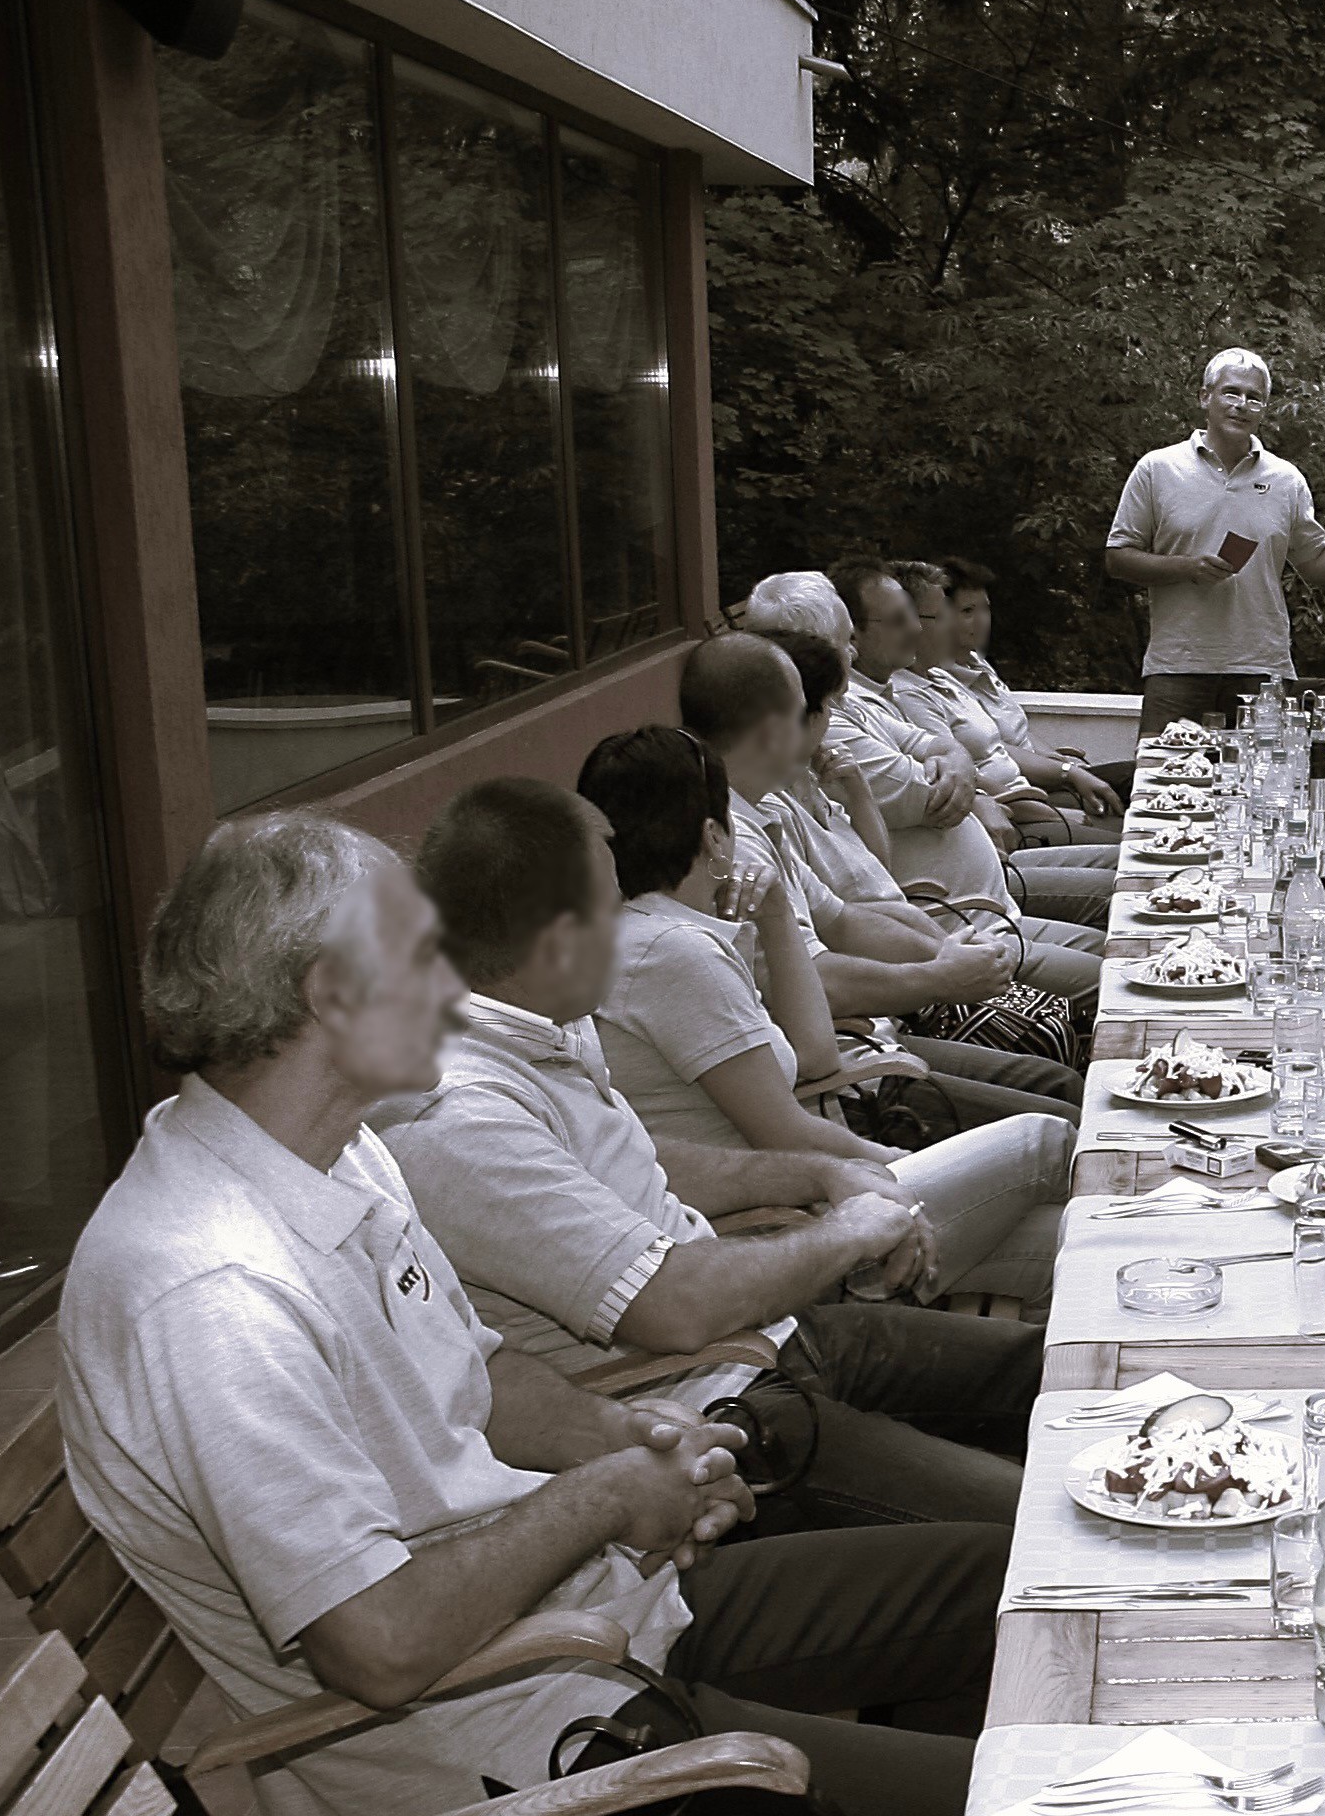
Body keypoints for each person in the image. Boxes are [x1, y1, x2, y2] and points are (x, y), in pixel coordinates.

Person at [59, 810, 1002, 1816]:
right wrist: (602, 1498)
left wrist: (639, 1444)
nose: (457, 988)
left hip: (606, 1628)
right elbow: (379, 1645)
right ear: (331, 992)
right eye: (425, 952)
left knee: (1008, 1591)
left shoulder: (339, 1151)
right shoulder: (212, 1292)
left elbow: (477, 1375)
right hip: (522, 1763)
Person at [379, 777, 1041, 1534]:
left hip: (775, 1341)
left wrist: (826, 1173)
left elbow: (646, 1160)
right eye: (612, 909)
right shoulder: (458, 1115)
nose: (627, 926)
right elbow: (673, 1307)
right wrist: (851, 1232)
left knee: (1044, 1372)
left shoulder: (539, 1024)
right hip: (716, 1414)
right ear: (559, 941)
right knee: (1021, 1534)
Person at [576, 727, 1068, 1303]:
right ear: (714, 837)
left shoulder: (658, 934)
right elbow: (781, 1130)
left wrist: (777, 915)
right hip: (784, 1225)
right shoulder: (672, 951)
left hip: (806, 1200)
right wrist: (901, 1164)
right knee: (1047, 1139)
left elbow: (814, 1057)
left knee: (1065, 1245)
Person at [682, 631, 1084, 1126]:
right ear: (772, 731)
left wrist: (946, 954)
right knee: (1058, 1105)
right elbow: (815, 980)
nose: (820, 727)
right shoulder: (730, 839)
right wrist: (939, 979)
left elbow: (844, 919)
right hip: (849, 1082)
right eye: (804, 711)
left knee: (1063, 1065)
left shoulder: (764, 805)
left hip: (883, 1029)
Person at [737, 572, 1110, 978]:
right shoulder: (809, 753)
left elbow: (945, 754)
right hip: (961, 922)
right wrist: (943, 969)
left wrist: (954, 773)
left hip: (974, 919)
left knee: (1119, 932)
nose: (853, 652)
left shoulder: (841, 718)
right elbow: (931, 801)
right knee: (1114, 954)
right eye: (846, 640)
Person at [1104, 346, 1325, 733]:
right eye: (1231, 393)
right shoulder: (1158, 468)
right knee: (1163, 769)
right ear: (1205, 397)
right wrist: (1187, 567)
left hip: (1261, 669)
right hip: (1178, 666)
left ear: (1264, 409)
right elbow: (1117, 558)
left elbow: (1315, 567)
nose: (1241, 405)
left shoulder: (1286, 479)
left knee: (1261, 772)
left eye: (1254, 398)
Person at [829, 557, 1118, 929]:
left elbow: (958, 755)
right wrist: (996, 795)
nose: (918, 628)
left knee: (1132, 862)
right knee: (1128, 878)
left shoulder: (879, 698)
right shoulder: (855, 711)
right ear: (851, 636)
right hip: (968, 907)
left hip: (991, 879)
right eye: (903, 619)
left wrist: (1062, 769)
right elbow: (937, 790)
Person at [889, 560, 1120, 846]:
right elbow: (965, 781)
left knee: (1136, 814)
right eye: (943, 616)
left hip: (1031, 797)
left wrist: (1065, 768)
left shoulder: (941, 677)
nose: (953, 626)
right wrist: (1053, 809)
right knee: (1128, 843)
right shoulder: (909, 694)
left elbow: (1000, 745)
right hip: (1011, 816)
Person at [938, 555, 1130, 817]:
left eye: (985, 609)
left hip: (1049, 774)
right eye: (968, 611)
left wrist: (1058, 759)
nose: (982, 620)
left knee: (1143, 774)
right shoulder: (945, 682)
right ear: (941, 617)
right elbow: (1002, 750)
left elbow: (1021, 733)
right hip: (1031, 788)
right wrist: (1066, 773)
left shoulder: (977, 662)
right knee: (1133, 788)